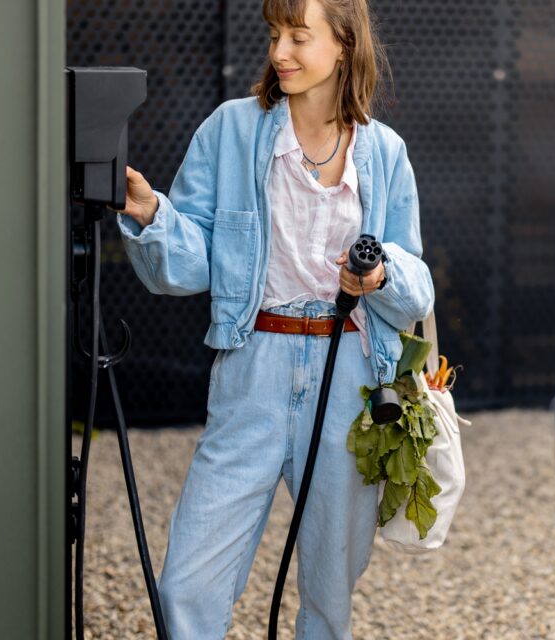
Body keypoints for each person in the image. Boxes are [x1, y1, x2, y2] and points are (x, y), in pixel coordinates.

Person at [113, 0, 434, 636]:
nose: (279, 52)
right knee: (189, 581)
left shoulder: (385, 153)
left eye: (298, 36)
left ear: (343, 45)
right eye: (274, 35)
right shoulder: (231, 131)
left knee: (329, 591)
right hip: (252, 363)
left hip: (350, 377)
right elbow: (191, 262)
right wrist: (151, 216)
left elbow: (416, 288)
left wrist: (378, 275)